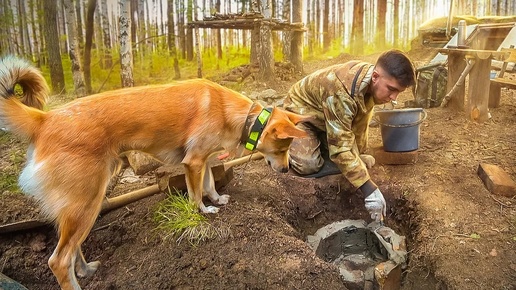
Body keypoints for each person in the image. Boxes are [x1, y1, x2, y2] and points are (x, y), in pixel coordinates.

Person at [284, 49, 416, 222]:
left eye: (398, 92)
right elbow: (341, 149)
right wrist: (369, 188)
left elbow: (360, 121)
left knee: (354, 156)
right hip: (301, 115)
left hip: (328, 116)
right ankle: (310, 148)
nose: (394, 98)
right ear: (375, 77)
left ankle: (329, 147)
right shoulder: (342, 91)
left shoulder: (370, 83)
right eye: (391, 90)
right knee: (309, 165)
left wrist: (358, 153)